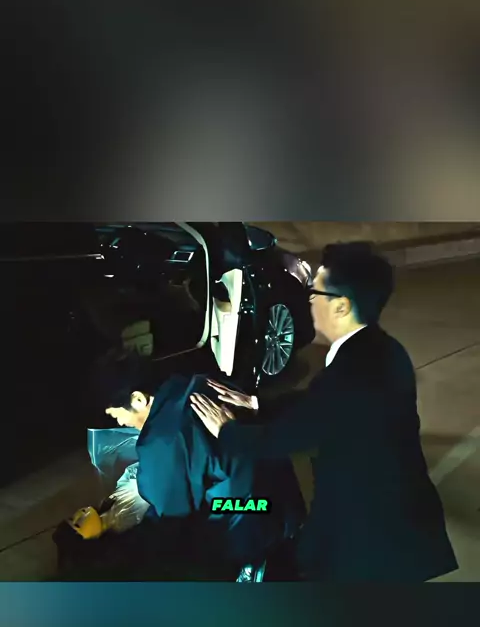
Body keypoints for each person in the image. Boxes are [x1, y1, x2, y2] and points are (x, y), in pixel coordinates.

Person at [190, 241, 459, 582]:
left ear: (341, 306)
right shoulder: (383, 350)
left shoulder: (349, 374)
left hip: (372, 534)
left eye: (314, 291)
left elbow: (282, 439)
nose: (308, 300)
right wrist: (257, 404)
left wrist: (226, 430)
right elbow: (320, 407)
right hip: (397, 516)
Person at [55, 352, 305, 581]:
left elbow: (174, 520)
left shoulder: (161, 443)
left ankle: (249, 568)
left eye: (116, 414)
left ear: (138, 399)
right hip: (283, 497)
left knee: (195, 526)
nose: (120, 422)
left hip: (254, 516)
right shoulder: (200, 383)